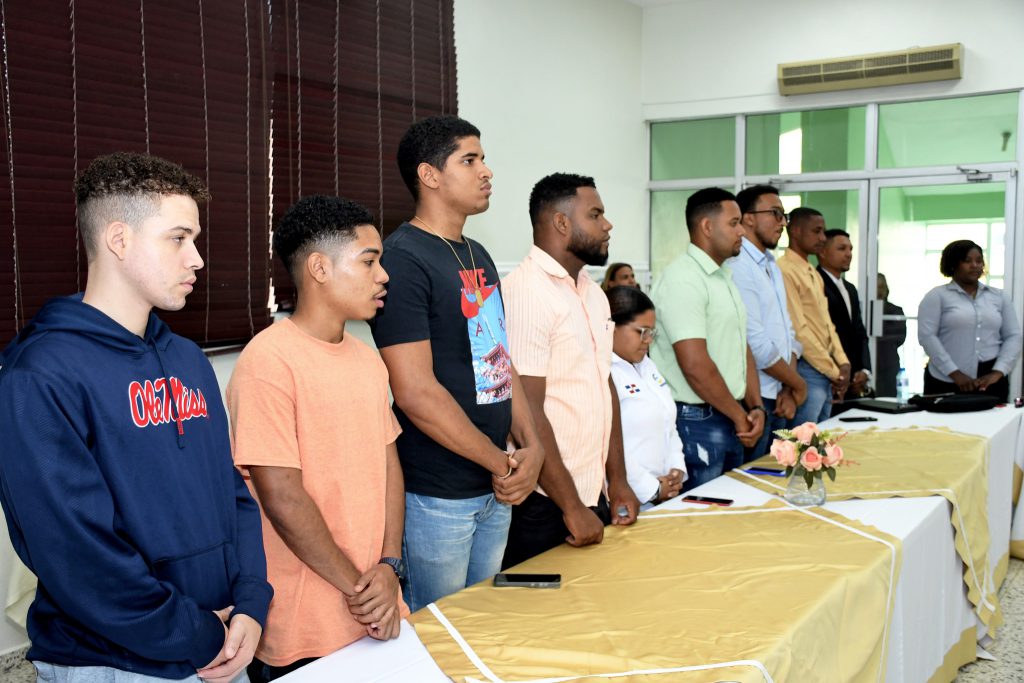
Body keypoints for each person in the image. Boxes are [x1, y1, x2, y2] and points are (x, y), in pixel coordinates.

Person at [0, 152, 271, 682]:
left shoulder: (188, 359)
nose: (197, 259)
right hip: (116, 661)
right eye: (178, 238)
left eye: (195, 240)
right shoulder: (39, 376)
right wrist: (193, 633)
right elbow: (76, 552)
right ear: (119, 240)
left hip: (222, 634)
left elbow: (231, 491)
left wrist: (251, 600)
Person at [228, 196, 407, 682]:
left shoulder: (367, 358)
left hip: (375, 602)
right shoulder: (268, 362)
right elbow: (282, 497)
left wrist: (389, 566)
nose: (383, 275)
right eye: (368, 261)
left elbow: (389, 465)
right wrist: (362, 592)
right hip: (306, 620)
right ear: (319, 268)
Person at [369, 116, 543, 611]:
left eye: (483, 159)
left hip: (495, 485)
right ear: (429, 175)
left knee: (479, 622)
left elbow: (499, 363)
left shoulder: (477, 253)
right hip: (438, 495)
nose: (486, 171)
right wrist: (500, 461)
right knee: (438, 632)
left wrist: (532, 447)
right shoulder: (403, 260)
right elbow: (415, 392)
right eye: (470, 160)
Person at [502, 173, 639, 568]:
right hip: (545, 502)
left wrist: (617, 479)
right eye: (595, 215)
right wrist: (571, 506)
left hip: (591, 491)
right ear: (561, 223)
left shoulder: (592, 293)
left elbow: (603, 386)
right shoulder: (526, 292)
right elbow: (526, 411)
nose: (607, 225)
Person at [649, 187, 765, 490]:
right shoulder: (683, 279)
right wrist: (740, 415)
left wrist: (755, 407)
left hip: (730, 413)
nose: (742, 231)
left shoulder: (722, 277)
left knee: (729, 510)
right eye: (734, 223)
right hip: (697, 420)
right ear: (707, 227)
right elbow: (695, 364)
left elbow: (740, 346)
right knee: (702, 512)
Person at [728, 185, 806, 461]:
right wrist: (798, 384)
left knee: (776, 476)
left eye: (784, 215)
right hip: (755, 398)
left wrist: (788, 387)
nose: (783, 223)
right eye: (775, 213)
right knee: (752, 478)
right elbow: (755, 341)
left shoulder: (770, 264)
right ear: (748, 218)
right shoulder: (738, 265)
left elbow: (788, 332)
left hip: (780, 393)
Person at [607, 285, 686, 510]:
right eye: (642, 331)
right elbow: (609, 447)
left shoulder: (647, 365)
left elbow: (668, 423)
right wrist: (652, 488)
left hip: (664, 490)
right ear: (611, 327)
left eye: (652, 332)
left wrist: (676, 469)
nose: (648, 339)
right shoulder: (604, 371)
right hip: (628, 498)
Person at [918, 240, 1022, 402]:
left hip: (990, 380)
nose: (975, 265)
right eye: (967, 261)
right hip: (945, 378)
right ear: (953, 264)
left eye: (979, 261)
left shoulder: (999, 297)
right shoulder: (937, 296)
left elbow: (1013, 336)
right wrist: (955, 373)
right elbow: (927, 337)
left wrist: (998, 372)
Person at [777, 207, 851, 424]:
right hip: (806, 367)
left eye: (823, 232)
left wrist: (843, 362)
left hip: (824, 367)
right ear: (796, 231)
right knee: (802, 440)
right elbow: (798, 330)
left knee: (820, 438)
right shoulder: (784, 270)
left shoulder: (812, 272)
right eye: (816, 231)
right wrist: (834, 371)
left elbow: (827, 324)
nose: (822, 238)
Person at [817, 228, 871, 405]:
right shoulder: (815, 283)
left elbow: (859, 332)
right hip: (828, 376)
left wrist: (864, 369)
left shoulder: (850, 289)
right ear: (823, 252)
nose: (848, 254)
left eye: (850, 249)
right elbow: (820, 334)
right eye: (841, 249)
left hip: (853, 378)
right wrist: (836, 372)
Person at [875, 273, 907, 397]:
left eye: (882, 287)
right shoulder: (863, 311)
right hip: (868, 363)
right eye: (876, 287)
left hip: (888, 362)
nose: (879, 291)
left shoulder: (895, 311)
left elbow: (899, 337)